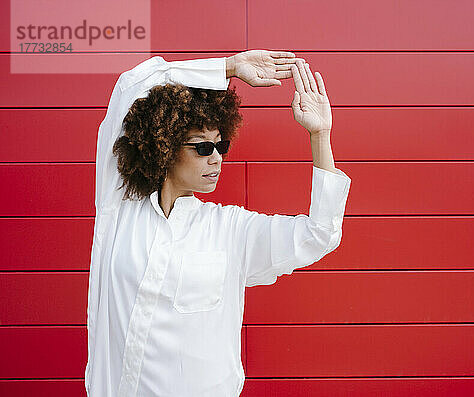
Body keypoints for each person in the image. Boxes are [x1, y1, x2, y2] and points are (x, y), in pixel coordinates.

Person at [85, 49, 351, 397]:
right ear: (163, 147)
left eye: (221, 146)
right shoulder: (119, 209)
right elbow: (132, 85)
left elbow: (319, 235)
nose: (217, 158)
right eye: (203, 148)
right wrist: (229, 67)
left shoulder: (231, 231)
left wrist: (320, 136)